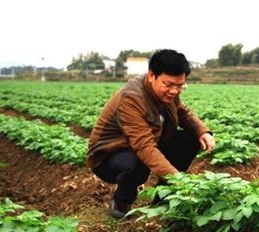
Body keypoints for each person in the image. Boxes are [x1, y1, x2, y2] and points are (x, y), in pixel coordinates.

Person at [87, 49, 215, 218]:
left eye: (179, 85)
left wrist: (202, 131)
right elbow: (144, 146)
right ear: (151, 76)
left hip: (143, 144)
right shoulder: (132, 98)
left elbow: (182, 112)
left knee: (189, 140)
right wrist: (178, 180)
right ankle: (122, 202)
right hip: (109, 156)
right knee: (137, 163)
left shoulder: (170, 93)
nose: (174, 91)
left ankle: (162, 200)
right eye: (168, 84)